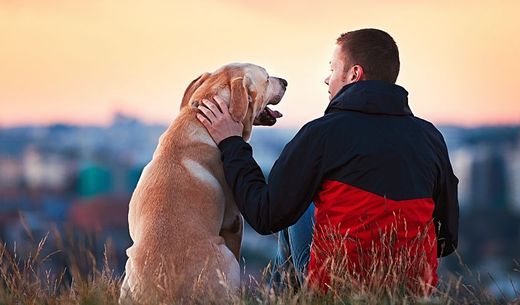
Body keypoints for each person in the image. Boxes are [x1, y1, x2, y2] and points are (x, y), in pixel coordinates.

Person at [196, 28, 459, 294]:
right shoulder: (430, 138)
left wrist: (231, 143)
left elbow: (264, 215)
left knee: (294, 208)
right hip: (413, 291)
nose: (326, 79)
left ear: (354, 74)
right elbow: (446, 239)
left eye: (333, 68)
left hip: (337, 289)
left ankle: (281, 299)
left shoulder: (321, 134)